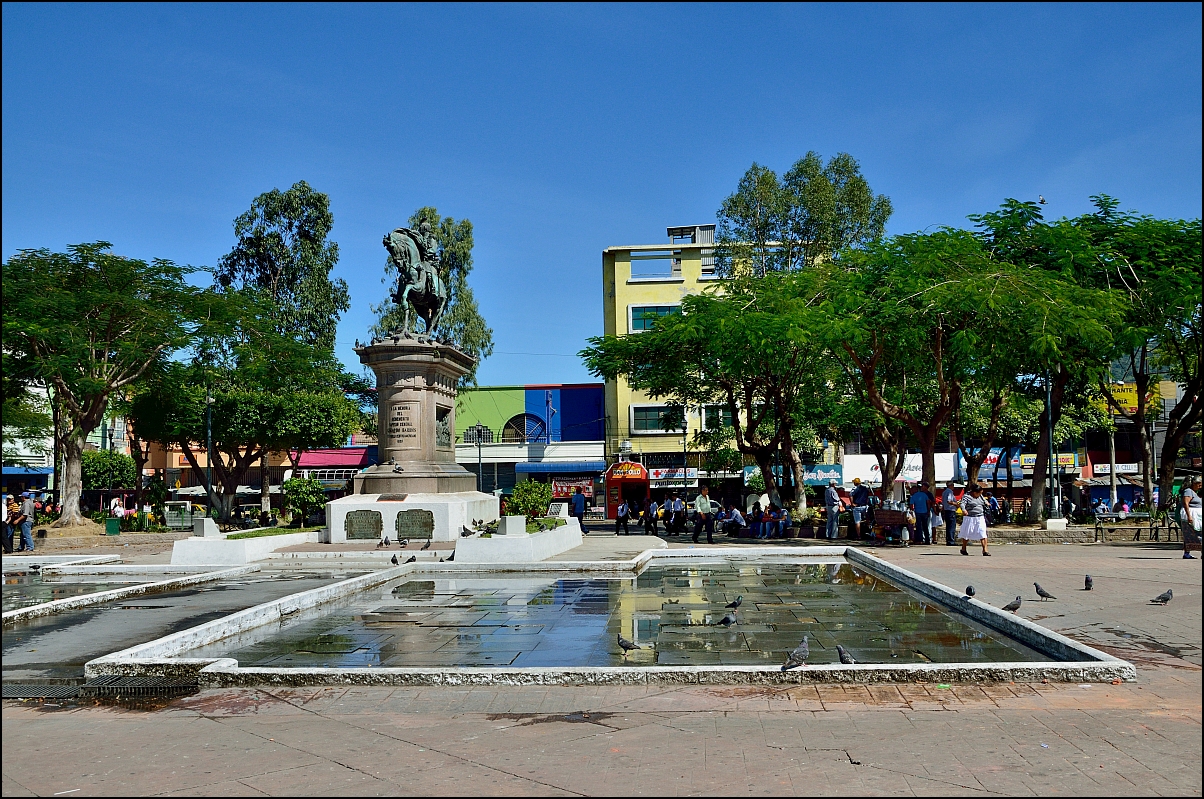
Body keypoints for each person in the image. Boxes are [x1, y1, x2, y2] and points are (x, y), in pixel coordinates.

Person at [958, 483, 991, 556]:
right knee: (967, 533)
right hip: (970, 518)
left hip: (980, 517)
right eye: (979, 493)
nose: (980, 494)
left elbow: (984, 500)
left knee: (982, 532)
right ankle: (963, 548)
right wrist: (964, 510)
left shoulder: (980, 496)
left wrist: (987, 503)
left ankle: (985, 550)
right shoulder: (967, 496)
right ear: (974, 492)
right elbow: (962, 504)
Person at [1180, 476, 1202, 560]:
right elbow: (1186, 504)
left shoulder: (1194, 492)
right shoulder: (1188, 491)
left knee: (1196, 533)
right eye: (1199, 485)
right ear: (1194, 484)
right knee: (1192, 534)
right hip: (1191, 515)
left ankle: (1187, 553)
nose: (1200, 487)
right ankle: (1187, 553)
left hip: (1197, 516)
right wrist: (1189, 516)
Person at [941, 481, 960, 546]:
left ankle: (948, 540)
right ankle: (951, 540)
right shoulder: (950, 492)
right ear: (951, 485)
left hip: (946, 510)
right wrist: (956, 504)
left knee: (948, 526)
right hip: (951, 510)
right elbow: (949, 501)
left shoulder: (944, 492)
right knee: (951, 526)